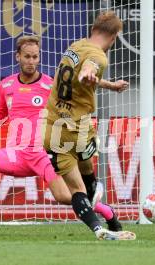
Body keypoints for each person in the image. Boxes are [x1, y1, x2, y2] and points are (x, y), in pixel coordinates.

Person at [0, 35, 129, 240]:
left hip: (45, 154)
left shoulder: (50, 85)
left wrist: (110, 86)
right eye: (27, 56)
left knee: (66, 196)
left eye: (35, 57)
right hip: (16, 154)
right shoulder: (6, 85)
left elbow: (80, 83)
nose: (31, 62)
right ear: (17, 56)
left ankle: (106, 211)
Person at [43, 11, 134, 239]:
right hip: (80, 129)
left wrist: (108, 85)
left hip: (54, 130)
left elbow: (83, 73)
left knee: (77, 189)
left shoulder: (76, 46)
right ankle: (98, 199)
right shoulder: (100, 57)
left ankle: (98, 227)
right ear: (113, 36)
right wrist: (88, 75)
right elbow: (87, 71)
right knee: (88, 176)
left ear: (94, 29)